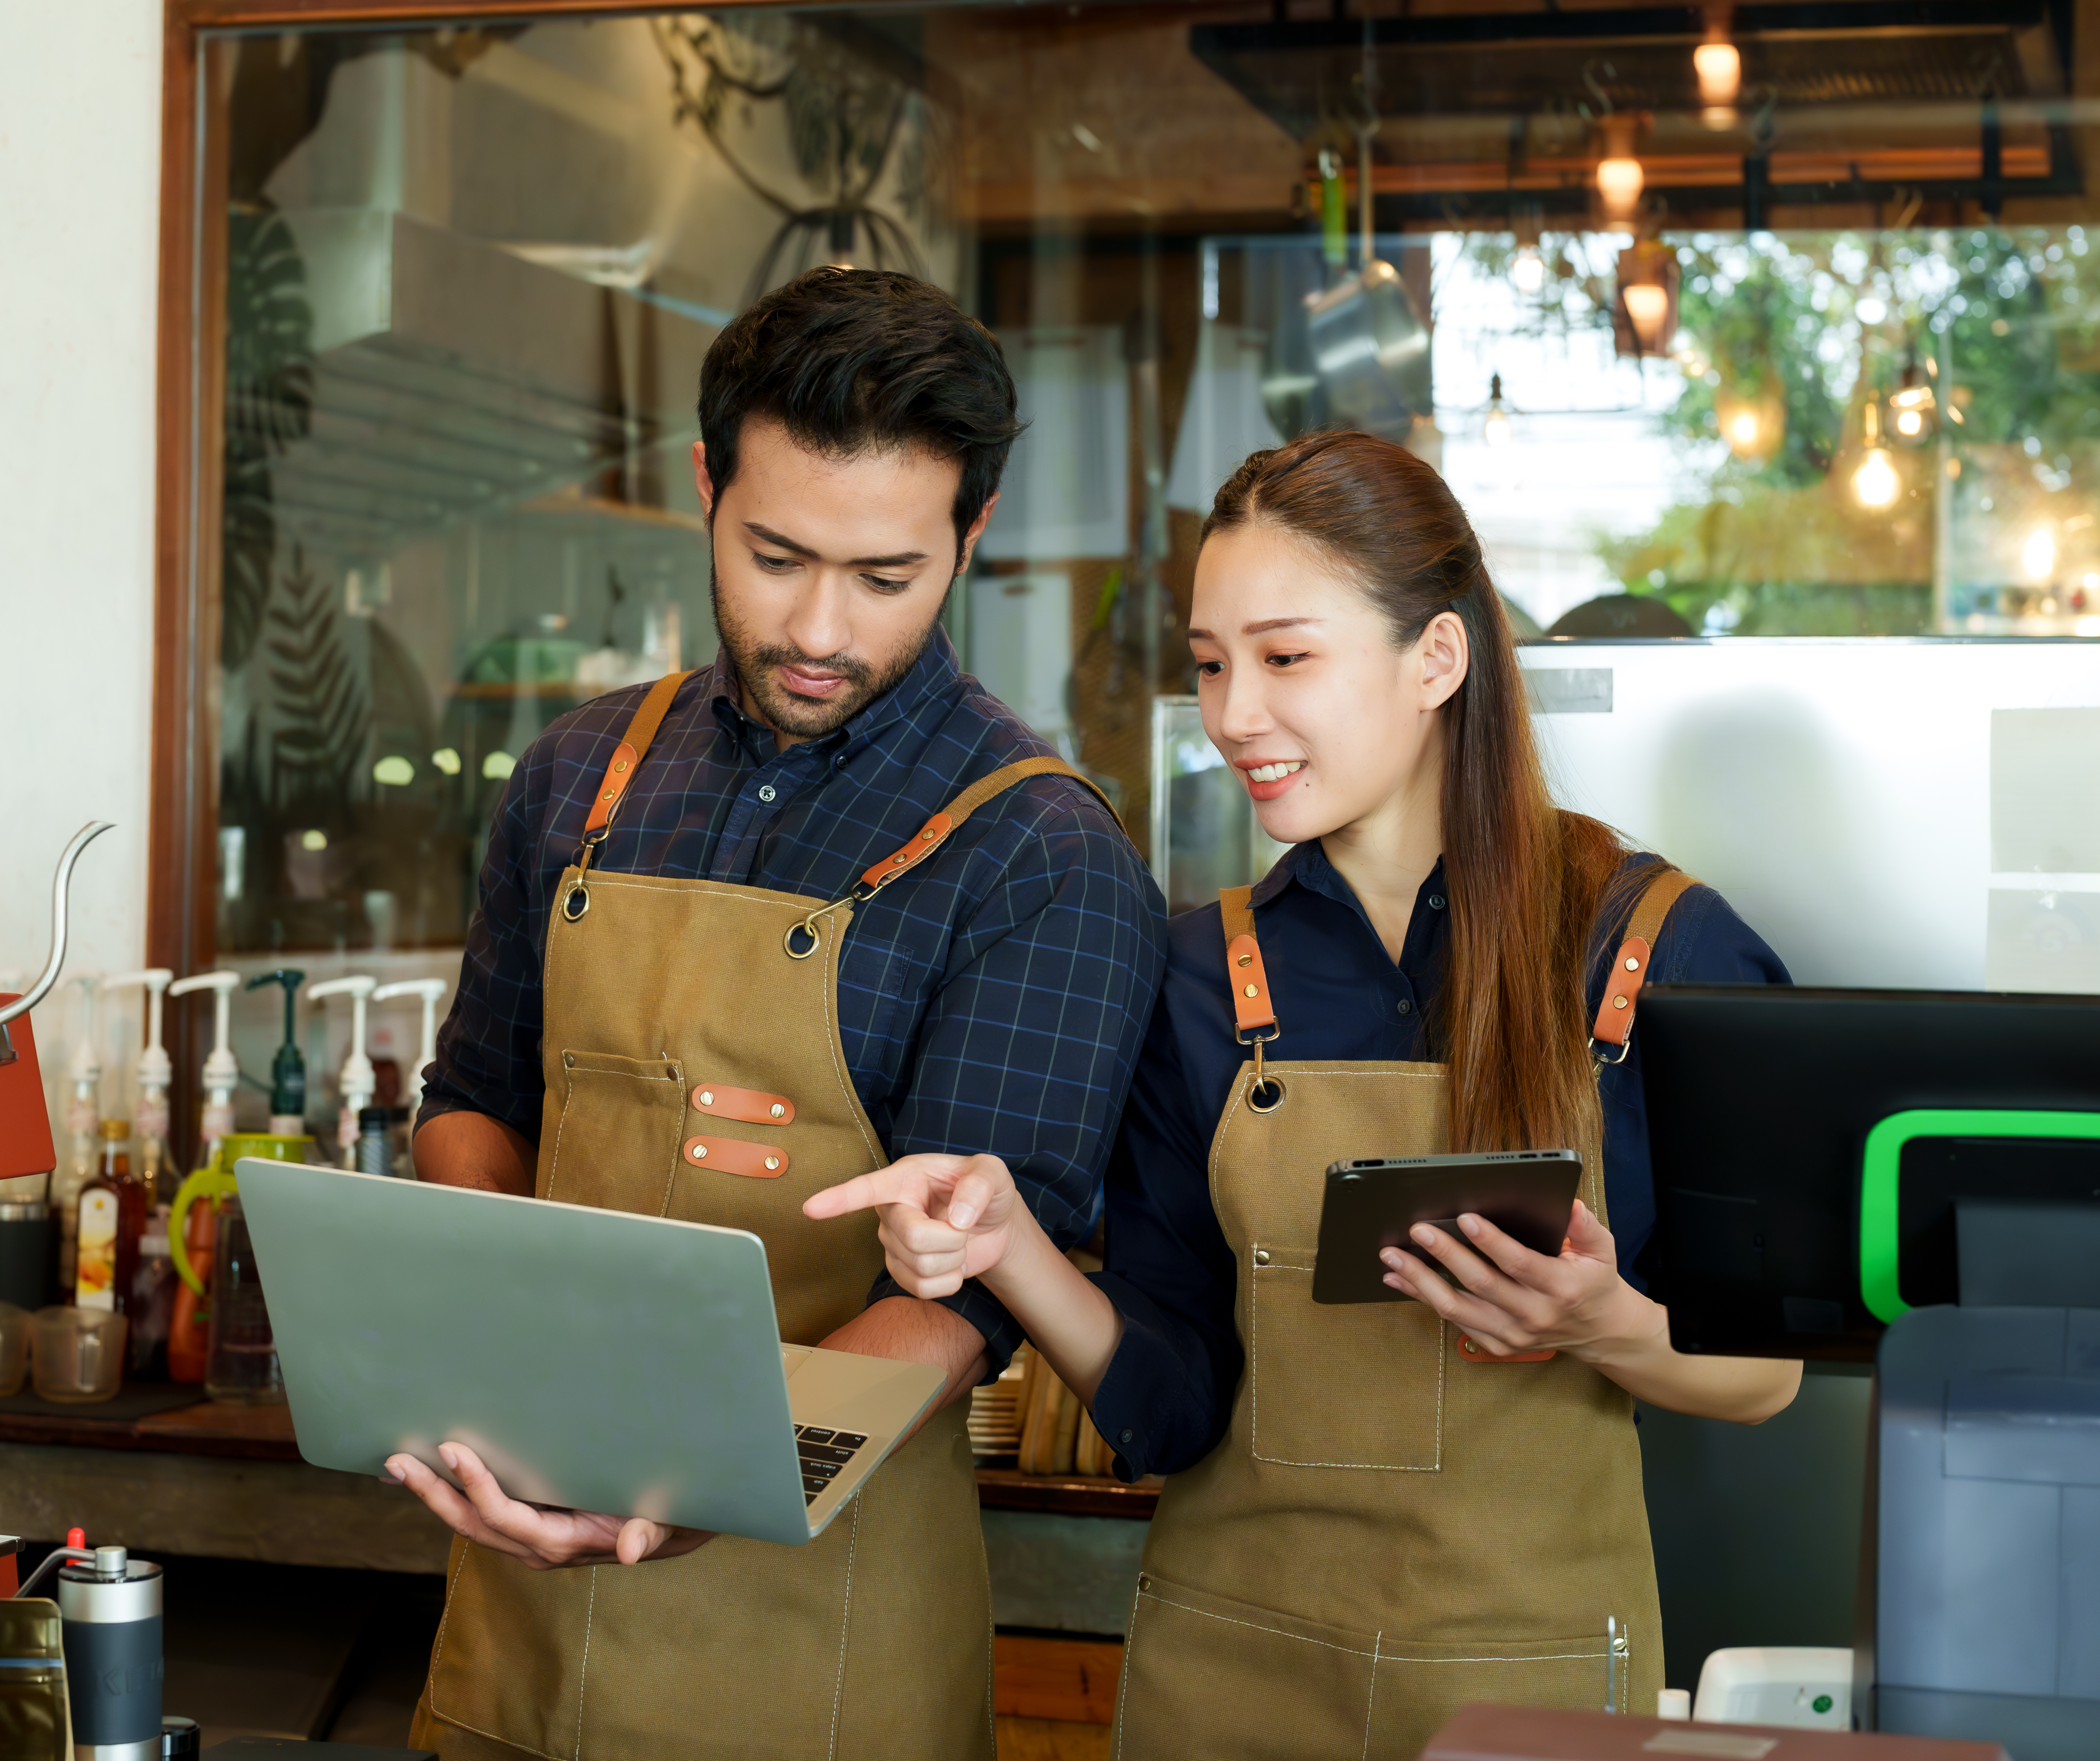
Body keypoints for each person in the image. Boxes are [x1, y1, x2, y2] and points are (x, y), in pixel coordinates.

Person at [811, 429, 1803, 1760]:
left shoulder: (1657, 951)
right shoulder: (1194, 974)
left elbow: (1766, 1375)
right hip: (1226, 1673)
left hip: (1533, 1682)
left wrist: (1604, 1320)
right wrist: (1013, 1250)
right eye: (1212, 665)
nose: (1233, 716)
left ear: (1437, 660)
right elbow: (1174, 1407)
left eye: (1286, 659)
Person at [393, 267, 1167, 1761]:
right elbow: (477, 1102)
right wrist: (480, 1368)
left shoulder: (1041, 850)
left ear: (971, 537)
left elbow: (970, 1294)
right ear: (704, 486)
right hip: (512, 1620)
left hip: (821, 1646)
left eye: (886, 576)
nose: (819, 626)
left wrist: (694, 1481)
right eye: (774, 555)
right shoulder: (575, 776)